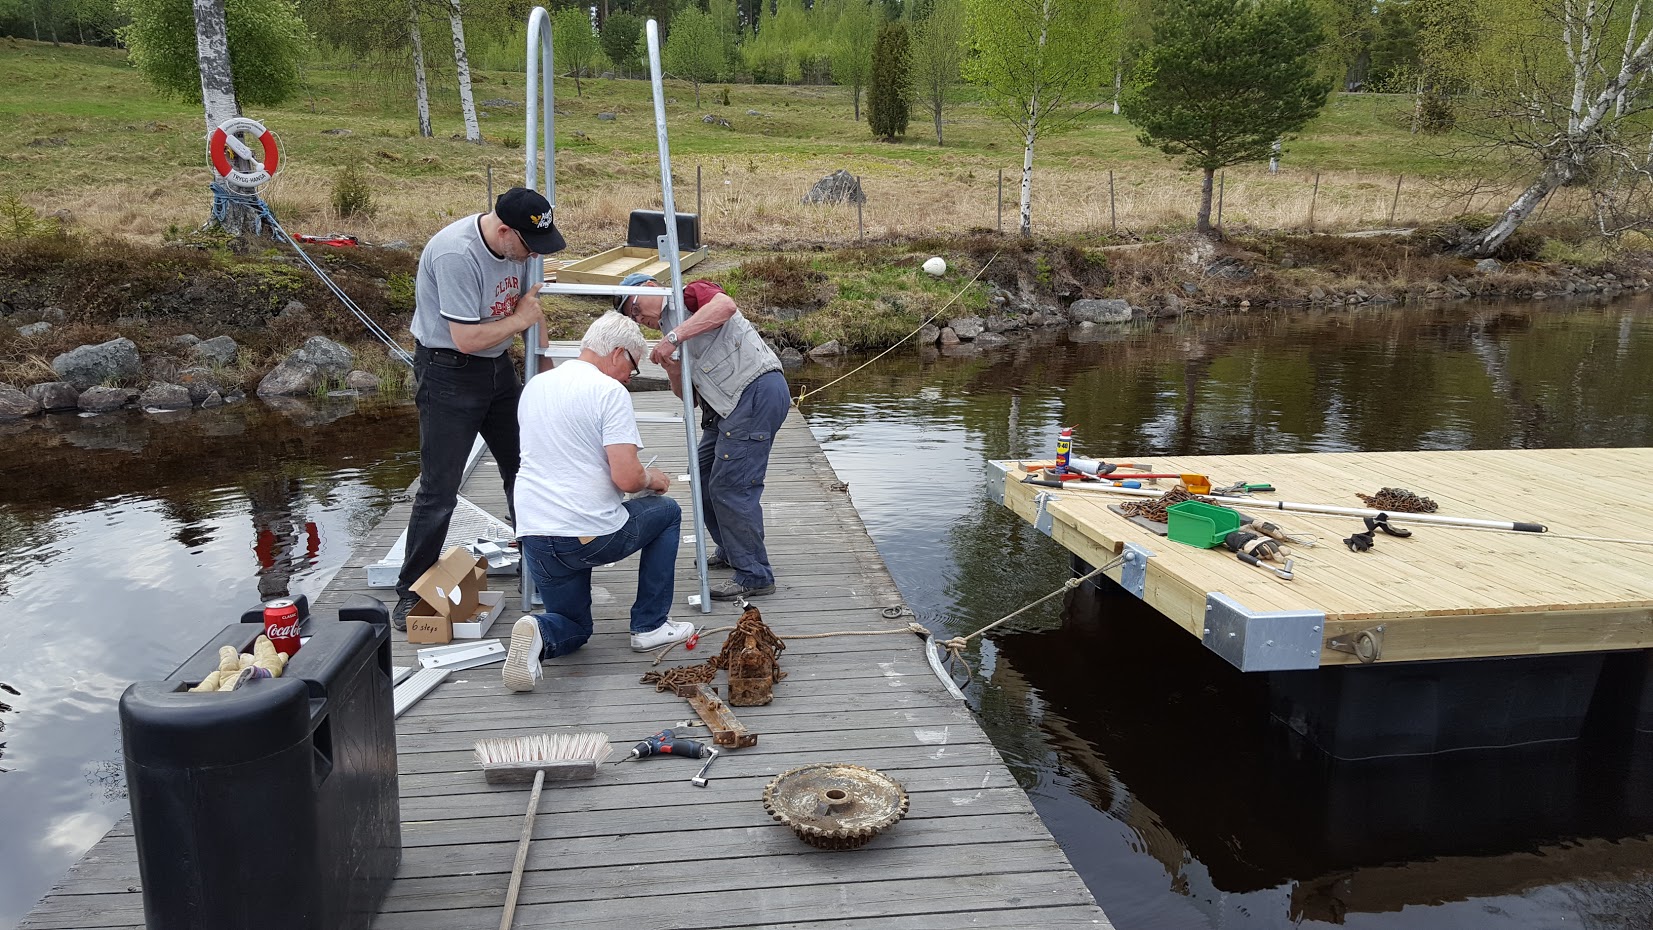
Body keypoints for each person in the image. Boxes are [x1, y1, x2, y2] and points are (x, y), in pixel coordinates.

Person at [392, 187, 567, 631]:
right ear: (504, 230)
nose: (531, 256)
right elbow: (466, 338)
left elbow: (532, 307)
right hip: (448, 371)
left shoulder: (520, 250)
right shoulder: (457, 254)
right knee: (439, 489)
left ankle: (539, 568)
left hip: (498, 370)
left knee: (525, 469)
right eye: (528, 246)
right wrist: (521, 321)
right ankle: (411, 591)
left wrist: (545, 367)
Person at [500, 311, 694, 692]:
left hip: (536, 534)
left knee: (574, 628)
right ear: (619, 353)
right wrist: (653, 479)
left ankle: (538, 630)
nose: (628, 377)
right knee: (667, 513)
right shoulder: (608, 391)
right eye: (632, 368)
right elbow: (626, 477)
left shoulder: (536, 385)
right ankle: (650, 626)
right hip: (587, 535)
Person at [615, 272, 788, 601]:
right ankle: (732, 551)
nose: (638, 319)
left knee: (731, 486)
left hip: (754, 390)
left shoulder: (689, 294)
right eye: (631, 316)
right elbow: (689, 397)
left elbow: (725, 306)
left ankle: (754, 574)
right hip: (725, 407)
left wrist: (674, 338)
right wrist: (671, 367)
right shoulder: (671, 331)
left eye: (635, 308)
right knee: (702, 474)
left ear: (651, 288)